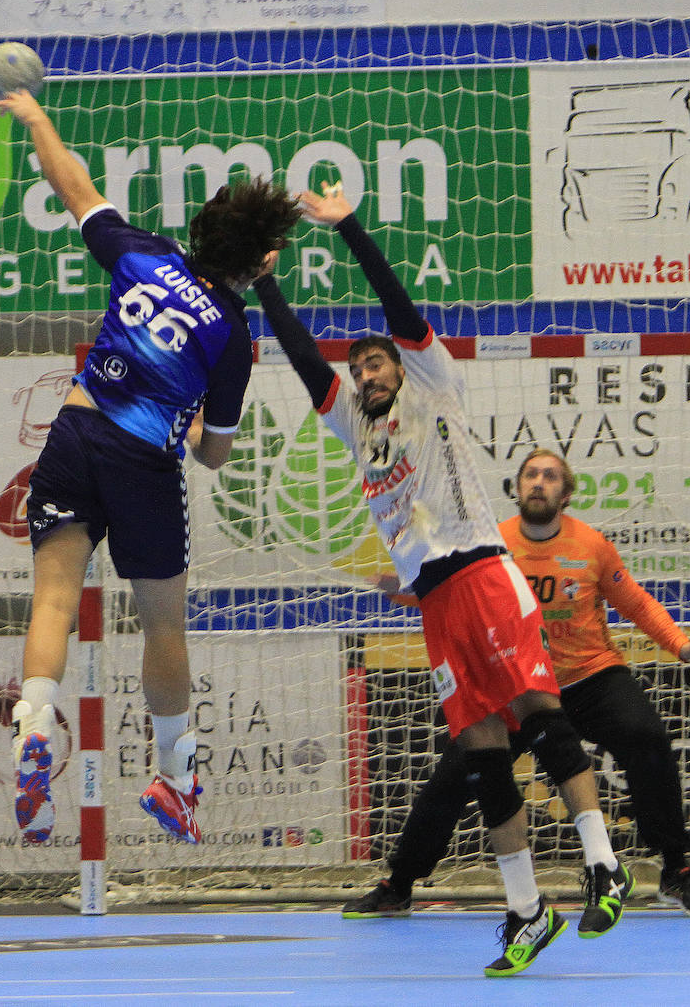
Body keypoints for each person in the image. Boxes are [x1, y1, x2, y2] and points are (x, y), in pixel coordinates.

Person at [256, 183, 632, 977]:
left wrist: (349, 226)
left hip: (484, 573)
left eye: (378, 358)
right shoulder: (352, 421)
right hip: (434, 601)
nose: (367, 369)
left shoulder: (435, 385)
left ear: (404, 361)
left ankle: (603, 864)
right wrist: (262, 282)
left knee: (538, 712)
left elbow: (395, 302)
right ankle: (527, 910)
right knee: (480, 751)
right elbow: (297, 355)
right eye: (359, 365)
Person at [0, 90, 300, 847]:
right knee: (163, 624)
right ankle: (174, 776)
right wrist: (191, 419)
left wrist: (38, 119)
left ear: (202, 227)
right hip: (143, 462)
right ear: (261, 263)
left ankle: (33, 727)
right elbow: (215, 453)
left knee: (55, 600)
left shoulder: (143, 256)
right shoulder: (232, 338)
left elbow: (74, 187)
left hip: (73, 434)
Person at [346, 447, 690, 921]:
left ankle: (675, 870)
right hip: (516, 685)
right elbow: (443, 591)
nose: (538, 483)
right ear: (516, 488)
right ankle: (398, 883)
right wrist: (391, 584)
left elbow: (635, 603)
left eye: (550, 476)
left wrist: (684, 647)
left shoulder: (591, 545)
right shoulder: (490, 541)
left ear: (565, 494)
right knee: (458, 769)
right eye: (530, 475)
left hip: (589, 677)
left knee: (647, 737)